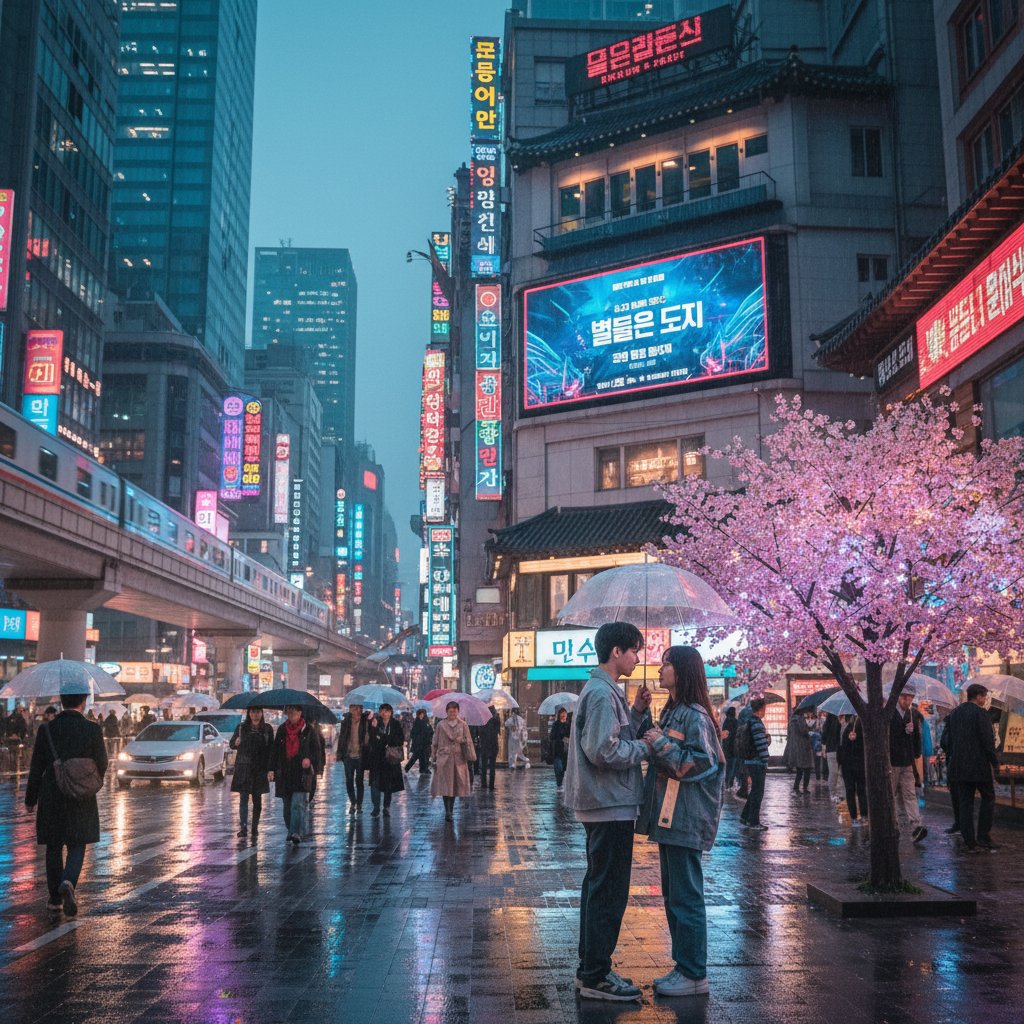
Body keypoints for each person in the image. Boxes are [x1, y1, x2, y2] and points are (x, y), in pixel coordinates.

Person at [564, 621, 653, 1002]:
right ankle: (596, 975)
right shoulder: (601, 693)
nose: (637, 657)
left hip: (606, 802)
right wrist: (646, 748)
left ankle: (592, 967)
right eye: (634, 650)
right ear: (615, 652)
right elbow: (603, 750)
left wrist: (634, 712)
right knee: (608, 891)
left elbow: (611, 736)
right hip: (609, 804)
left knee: (599, 887)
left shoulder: (605, 691)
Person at [637, 646, 725, 998]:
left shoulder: (695, 716)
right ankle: (684, 966)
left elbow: (705, 763)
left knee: (686, 897)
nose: (660, 670)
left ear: (683, 671)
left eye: (667, 664)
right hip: (671, 817)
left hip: (687, 817)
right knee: (674, 895)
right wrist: (646, 720)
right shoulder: (673, 711)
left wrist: (662, 745)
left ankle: (693, 972)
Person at [24, 681, 108, 917]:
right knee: (77, 843)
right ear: (83, 701)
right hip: (81, 795)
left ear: (62, 701)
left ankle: (54, 900)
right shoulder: (93, 729)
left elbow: (36, 766)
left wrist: (31, 798)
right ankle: (69, 881)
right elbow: (103, 762)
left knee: (53, 845)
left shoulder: (47, 730)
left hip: (52, 792)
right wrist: (88, 781)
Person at [941, 682, 999, 853]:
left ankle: (970, 841)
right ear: (979, 696)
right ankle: (983, 835)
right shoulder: (981, 714)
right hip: (978, 766)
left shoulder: (955, 713)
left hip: (959, 766)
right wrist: (994, 762)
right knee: (988, 798)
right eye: (985, 697)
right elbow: (988, 742)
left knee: (965, 803)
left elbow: (946, 741)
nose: (985, 700)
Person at [269, 705, 322, 845]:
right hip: (284, 773)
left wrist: (310, 760)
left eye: (295, 711)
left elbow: (317, 751)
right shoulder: (282, 729)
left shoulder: (309, 730)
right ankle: (291, 830)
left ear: (300, 712)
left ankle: (296, 832)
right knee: (287, 806)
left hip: (301, 773)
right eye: (289, 711)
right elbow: (275, 751)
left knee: (297, 804)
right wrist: (271, 769)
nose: (292, 714)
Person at [230, 706, 274, 839]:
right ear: (249, 714)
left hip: (260, 769)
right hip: (244, 768)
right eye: (253, 712)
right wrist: (236, 743)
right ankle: (243, 828)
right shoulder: (241, 728)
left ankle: (254, 828)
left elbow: (271, 749)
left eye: (258, 712)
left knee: (257, 800)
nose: (255, 715)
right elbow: (232, 744)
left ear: (262, 713)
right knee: (243, 798)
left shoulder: (267, 729)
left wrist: (270, 768)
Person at [889, 690, 926, 842]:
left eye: (910, 697)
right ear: (898, 697)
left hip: (907, 761)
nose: (907, 700)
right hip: (892, 761)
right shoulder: (890, 713)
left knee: (910, 794)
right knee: (891, 794)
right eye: (904, 696)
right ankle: (892, 825)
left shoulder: (914, 714)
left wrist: (916, 754)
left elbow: (917, 737)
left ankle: (916, 825)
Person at [431, 700, 476, 821]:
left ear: (458, 711)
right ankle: (448, 811)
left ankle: (451, 809)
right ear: (446, 712)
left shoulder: (463, 725)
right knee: (446, 785)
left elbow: (469, 740)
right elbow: (435, 742)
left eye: (455, 711)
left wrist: (463, 740)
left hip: (459, 759)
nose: (452, 713)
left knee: (455, 785)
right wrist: (433, 757)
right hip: (444, 759)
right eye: (450, 711)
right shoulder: (441, 725)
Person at [367, 702, 405, 816]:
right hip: (376, 759)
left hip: (390, 759)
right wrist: (373, 728)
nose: (384, 713)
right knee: (375, 784)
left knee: (388, 785)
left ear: (391, 713)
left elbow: (400, 740)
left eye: (387, 711)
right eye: (382, 711)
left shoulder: (395, 724)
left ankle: (386, 807)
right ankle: (376, 807)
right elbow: (371, 740)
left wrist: (384, 738)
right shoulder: (375, 723)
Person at [738, 698, 770, 829]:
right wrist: (765, 759)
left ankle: (745, 816)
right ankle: (754, 822)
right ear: (761, 709)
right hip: (757, 762)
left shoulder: (750, 722)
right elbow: (761, 745)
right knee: (758, 792)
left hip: (751, 761)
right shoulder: (756, 723)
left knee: (755, 791)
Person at [335, 703, 370, 814]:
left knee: (359, 781)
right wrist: (339, 753)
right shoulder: (345, 722)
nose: (354, 710)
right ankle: (353, 803)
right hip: (348, 756)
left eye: (357, 708)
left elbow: (369, 737)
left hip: (360, 756)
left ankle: (359, 804)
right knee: (349, 781)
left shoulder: (365, 722)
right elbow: (341, 738)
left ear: (360, 709)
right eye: (352, 708)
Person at [839, 715, 868, 826]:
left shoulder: (861, 728)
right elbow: (843, 748)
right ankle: (856, 817)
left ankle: (859, 817)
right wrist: (849, 740)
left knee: (858, 791)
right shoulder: (848, 729)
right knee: (855, 791)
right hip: (851, 766)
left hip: (856, 766)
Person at [786, 709, 814, 793]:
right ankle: (805, 788)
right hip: (803, 747)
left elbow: (789, 734)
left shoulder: (791, 721)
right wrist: (809, 729)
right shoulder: (800, 719)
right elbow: (803, 731)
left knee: (799, 769)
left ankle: (796, 787)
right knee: (807, 769)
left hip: (795, 748)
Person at [821, 711, 845, 804]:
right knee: (834, 772)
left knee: (840, 772)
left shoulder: (846, 720)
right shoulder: (832, 720)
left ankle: (840, 794)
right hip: (833, 750)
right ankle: (834, 793)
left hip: (840, 750)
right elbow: (825, 736)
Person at [405, 708, 433, 775]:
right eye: (420, 714)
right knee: (415, 757)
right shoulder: (418, 722)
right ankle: (407, 768)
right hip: (419, 744)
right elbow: (415, 733)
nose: (422, 715)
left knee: (423, 757)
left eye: (422, 714)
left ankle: (423, 769)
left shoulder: (423, 722)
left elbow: (429, 731)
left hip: (423, 744)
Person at [478, 706, 500, 790]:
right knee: (492, 766)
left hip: (484, 745)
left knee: (483, 766)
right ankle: (491, 785)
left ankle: (483, 784)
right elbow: (498, 731)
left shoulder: (483, 719)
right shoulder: (496, 719)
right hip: (494, 745)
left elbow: (480, 731)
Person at [549, 708, 571, 788]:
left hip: (566, 751)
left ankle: (561, 784)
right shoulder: (556, 725)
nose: (563, 717)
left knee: (564, 768)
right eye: (562, 715)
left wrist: (568, 738)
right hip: (557, 751)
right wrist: (561, 738)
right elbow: (552, 736)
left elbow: (572, 735)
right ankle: (559, 784)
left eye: (565, 715)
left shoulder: (568, 725)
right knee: (559, 768)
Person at [720, 706, 738, 791]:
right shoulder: (735, 722)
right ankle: (730, 784)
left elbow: (724, 734)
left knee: (728, 767)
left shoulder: (726, 722)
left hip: (726, 748)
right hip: (733, 748)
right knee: (733, 767)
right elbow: (737, 734)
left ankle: (727, 783)